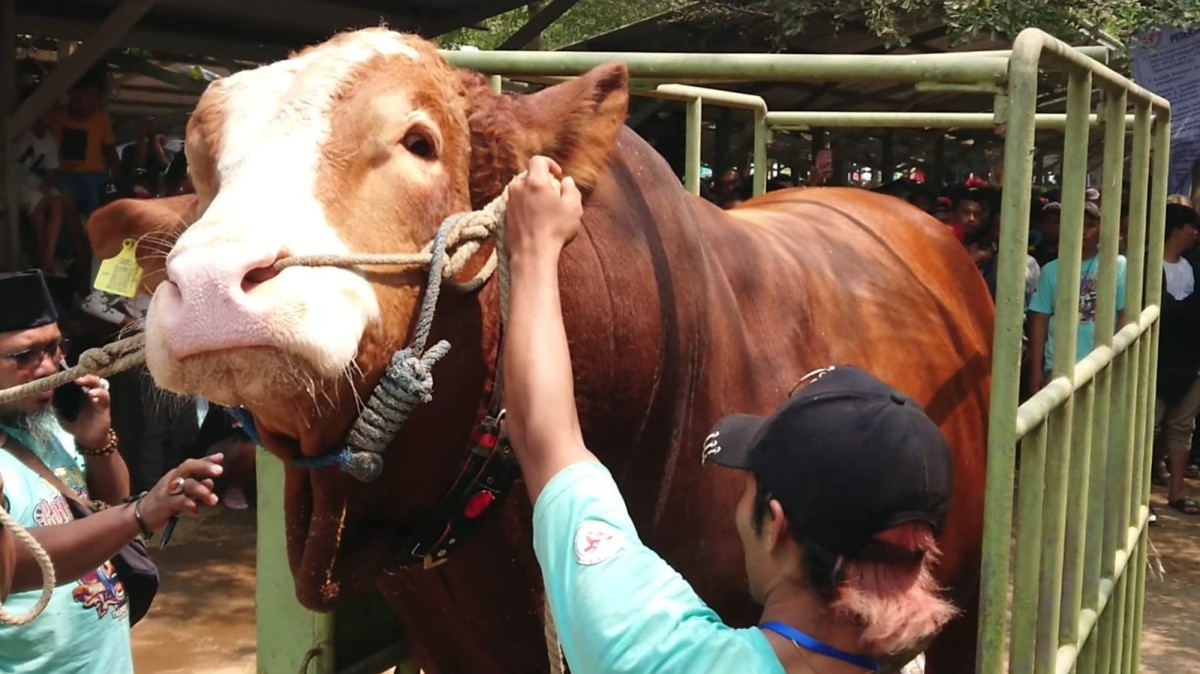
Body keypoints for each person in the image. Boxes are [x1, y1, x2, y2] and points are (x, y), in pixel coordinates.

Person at [499, 157, 959, 674]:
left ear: (777, 527)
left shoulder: (668, 659)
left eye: (749, 487)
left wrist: (534, 250)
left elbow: (547, 439)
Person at [0, 269, 223, 673]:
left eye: (55, 349)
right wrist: (140, 514)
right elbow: (14, 566)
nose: (49, 367)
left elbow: (108, 503)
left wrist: (96, 442)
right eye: (24, 355)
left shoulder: (50, 423)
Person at [1026, 201, 1127, 394]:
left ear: (1100, 229)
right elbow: (1039, 320)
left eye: (1091, 225)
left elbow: (1124, 313)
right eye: (1079, 224)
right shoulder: (1050, 270)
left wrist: (1116, 357)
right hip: (1059, 367)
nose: (1084, 232)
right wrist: (1035, 371)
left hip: (1102, 364)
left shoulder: (1117, 264)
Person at [1152, 204, 1200, 515]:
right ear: (1177, 229)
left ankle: (1176, 493)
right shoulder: (1145, 265)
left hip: (1190, 364)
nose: (1196, 234)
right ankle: (1136, 500)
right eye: (1192, 227)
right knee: (1148, 429)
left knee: (1183, 428)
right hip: (1154, 363)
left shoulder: (1195, 267)